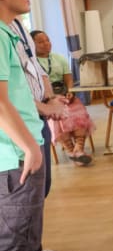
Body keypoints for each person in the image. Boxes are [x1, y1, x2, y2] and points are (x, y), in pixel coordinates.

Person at [0, 0, 61, 251]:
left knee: (24, 235)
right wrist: (28, 147)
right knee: (14, 237)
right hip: (14, 153)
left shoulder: (11, 30)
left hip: (24, 144)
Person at [12, 22, 83, 251]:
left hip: (36, 121)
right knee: (16, 203)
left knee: (39, 192)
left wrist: (51, 99)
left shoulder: (16, 27)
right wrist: (44, 105)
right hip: (18, 129)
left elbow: (35, 71)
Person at [28, 31, 94, 165]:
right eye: (41, 42)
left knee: (79, 113)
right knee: (58, 118)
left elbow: (69, 79)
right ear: (31, 44)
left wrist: (70, 91)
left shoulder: (59, 58)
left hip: (65, 95)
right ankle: (71, 151)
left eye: (47, 40)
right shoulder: (31, 62)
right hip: (46, 100)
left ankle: (78, 149)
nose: (46, 44)